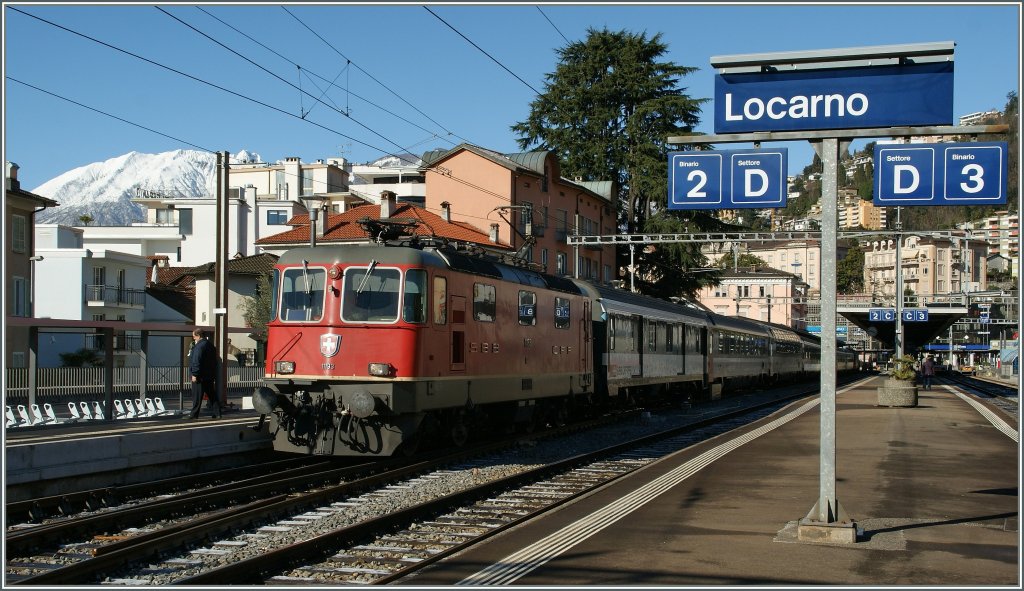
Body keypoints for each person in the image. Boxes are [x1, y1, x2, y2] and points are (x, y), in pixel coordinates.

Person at [187, 329, 221, 419]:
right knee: (212, 395)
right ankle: (217, 413)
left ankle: (194, 414)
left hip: (200, 376)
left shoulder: (199, 346)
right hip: (209, 375)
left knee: (197, 396)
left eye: (194, 336)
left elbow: (196, 361)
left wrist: (195, 374)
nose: (193, 338)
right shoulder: (210, 345)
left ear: (198, 335)